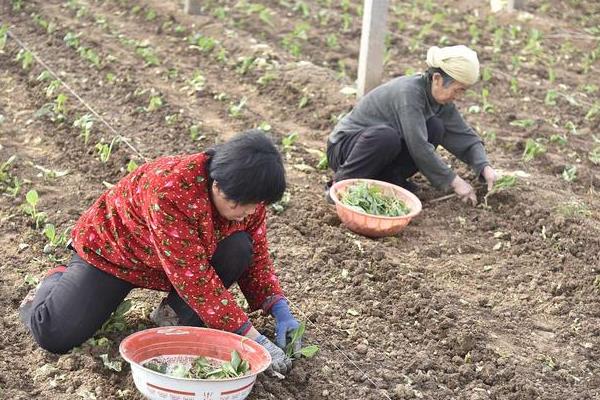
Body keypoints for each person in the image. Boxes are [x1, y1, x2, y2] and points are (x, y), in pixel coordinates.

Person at [19, 130, 302, 374]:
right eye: (243, 206)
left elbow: (258, 258)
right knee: (54, 334)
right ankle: (57, 280)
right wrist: (249, 337)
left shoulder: (247, 196)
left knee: (240, 247)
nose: (249, 213)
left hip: (175, 261)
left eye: (257, 205)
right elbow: (194, 279)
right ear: (218, 185)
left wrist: (277, 306)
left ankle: (171, 315)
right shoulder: (170, 189)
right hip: (115, 254)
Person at [326, 45, 497, 206]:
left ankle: (389, 180)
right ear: (437, 79)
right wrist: (455, 182)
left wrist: (484, 166)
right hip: (345, 149)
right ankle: (339, 186)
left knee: (435, 127)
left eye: (463, 91)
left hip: (376, 149)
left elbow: (464, 136)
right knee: (387, 137)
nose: (459, 96)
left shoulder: (440, 102)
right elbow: (419, 146)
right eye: (458, 89)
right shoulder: (409, 93)